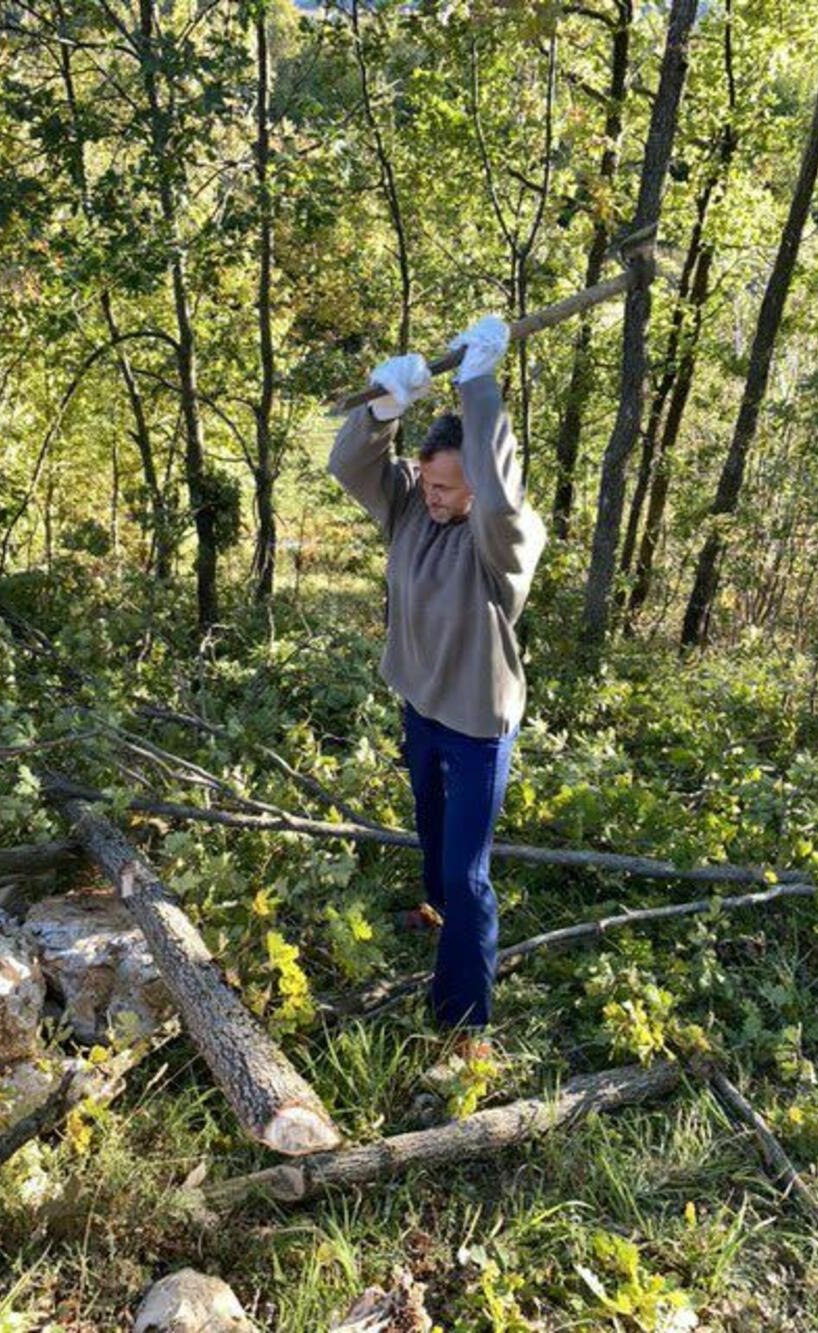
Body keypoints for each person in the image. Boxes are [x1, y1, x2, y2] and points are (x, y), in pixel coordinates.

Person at [328, 315, 546, 1042]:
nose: (435, 496)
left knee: (469, 875)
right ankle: (433, 913)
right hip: (420, 706)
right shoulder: (411, 513)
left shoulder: (502, 541)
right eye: (428, 481)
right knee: (429, 828)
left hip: (477, 725)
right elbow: (350, 467)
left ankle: (465, 1020)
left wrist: (479, 386)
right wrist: (383, 410)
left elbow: (504, 497)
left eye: (451, 487)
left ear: (477, 487)